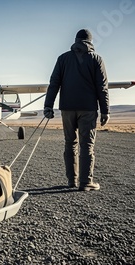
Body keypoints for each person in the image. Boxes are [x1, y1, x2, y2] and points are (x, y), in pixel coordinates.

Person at [43, 28, 109, 191]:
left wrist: (48, 106)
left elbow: (54, 83)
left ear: (75, 40)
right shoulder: (96, 59)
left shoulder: (63, 59)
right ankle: (86, 182)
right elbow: (102, 87)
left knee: (70, 143)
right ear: (91, 42)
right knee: (87, 145)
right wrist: (105, 110)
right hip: (88, 109)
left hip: (67, 108)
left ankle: (72, 180)